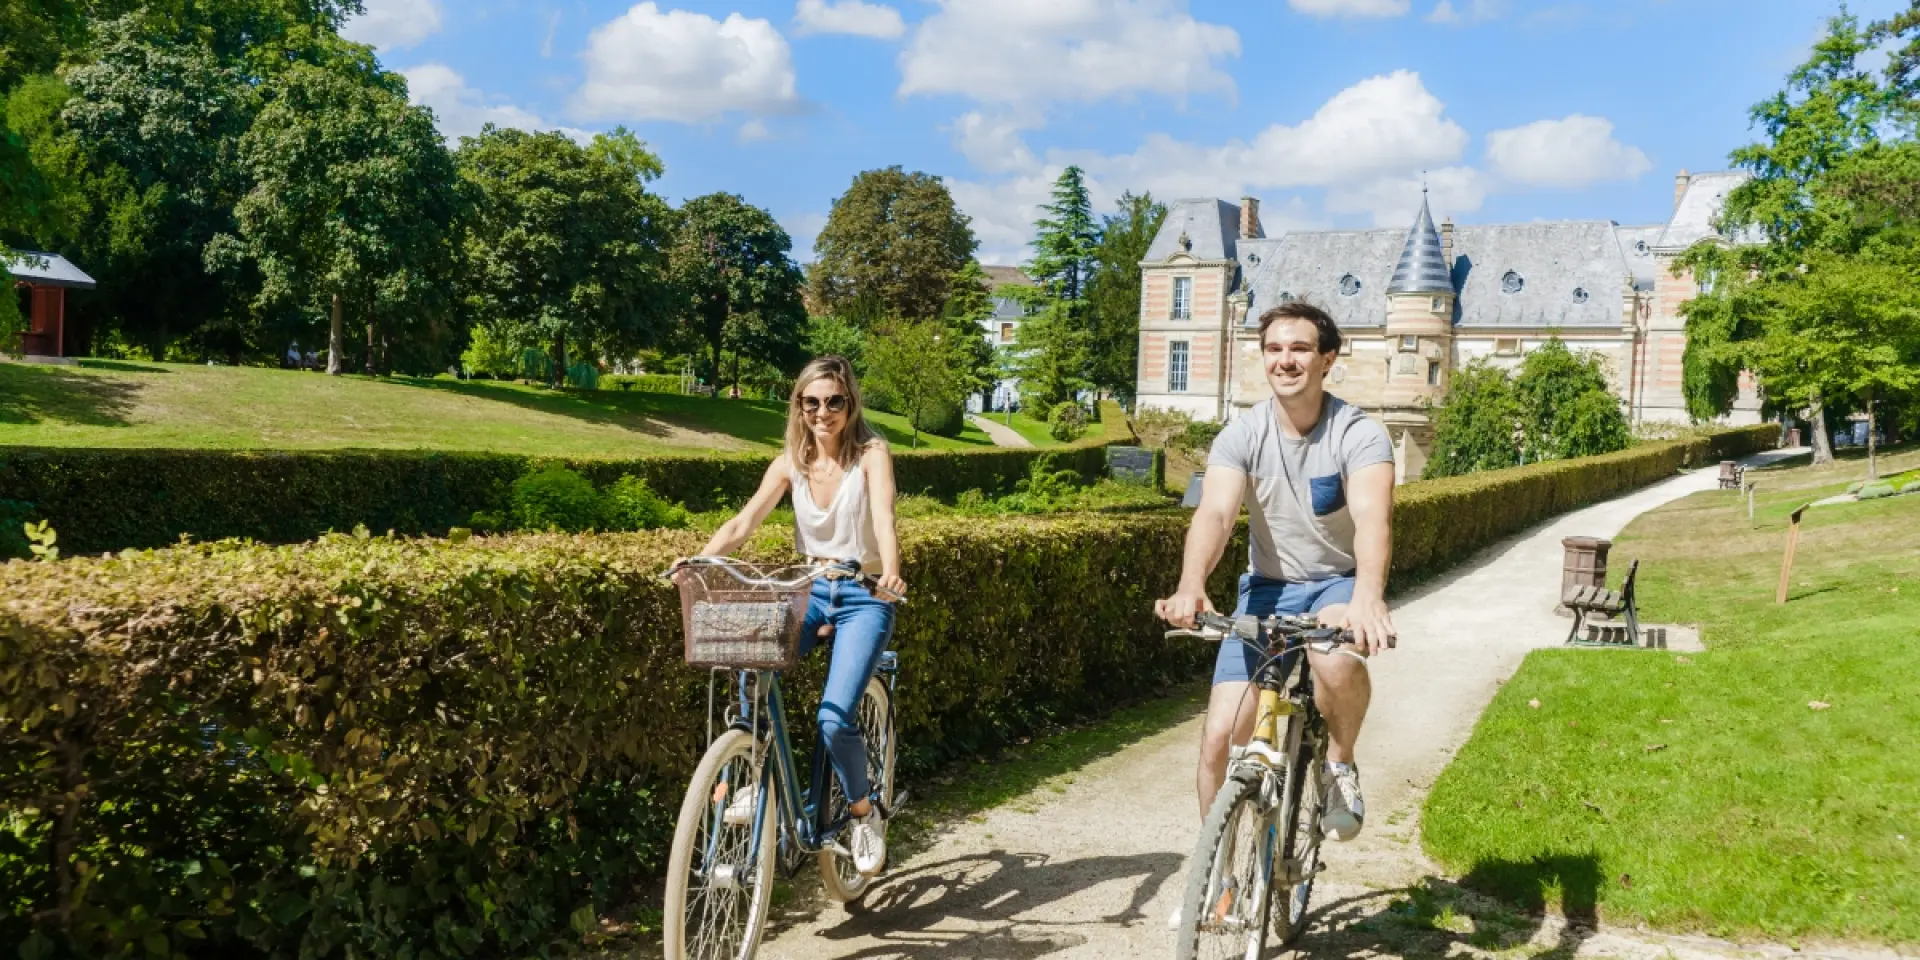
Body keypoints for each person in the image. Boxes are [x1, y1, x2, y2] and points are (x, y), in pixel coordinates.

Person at [1155, 301, 1397, 862]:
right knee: (1219, 737)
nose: (1285, 360)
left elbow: (1372, 518)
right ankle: (1217, 878)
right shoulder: (1242, 433)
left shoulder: (1359, 434)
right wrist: (1191, 583)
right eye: (1274, 349)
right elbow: (1215, 514)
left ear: (1327, 358)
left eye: (1300, 348)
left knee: (1332, 660)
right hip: (1266, 585)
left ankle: (1339, 761)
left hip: (1336, 581)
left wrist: (1366, 598)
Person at [693, 355, 908, 876]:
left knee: (834, 719)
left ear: (850, 402)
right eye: (811, 402)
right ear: (798, 405)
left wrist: (893, 573)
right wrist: (698, 562)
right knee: (750, 648)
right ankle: (752, 766)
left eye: (834, 401)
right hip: (808, 589)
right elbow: (744, 521)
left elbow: (884, 517)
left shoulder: (872, 453)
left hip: (863, 594)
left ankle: (862, 815)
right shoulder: (791, 459)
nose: (823, 412)